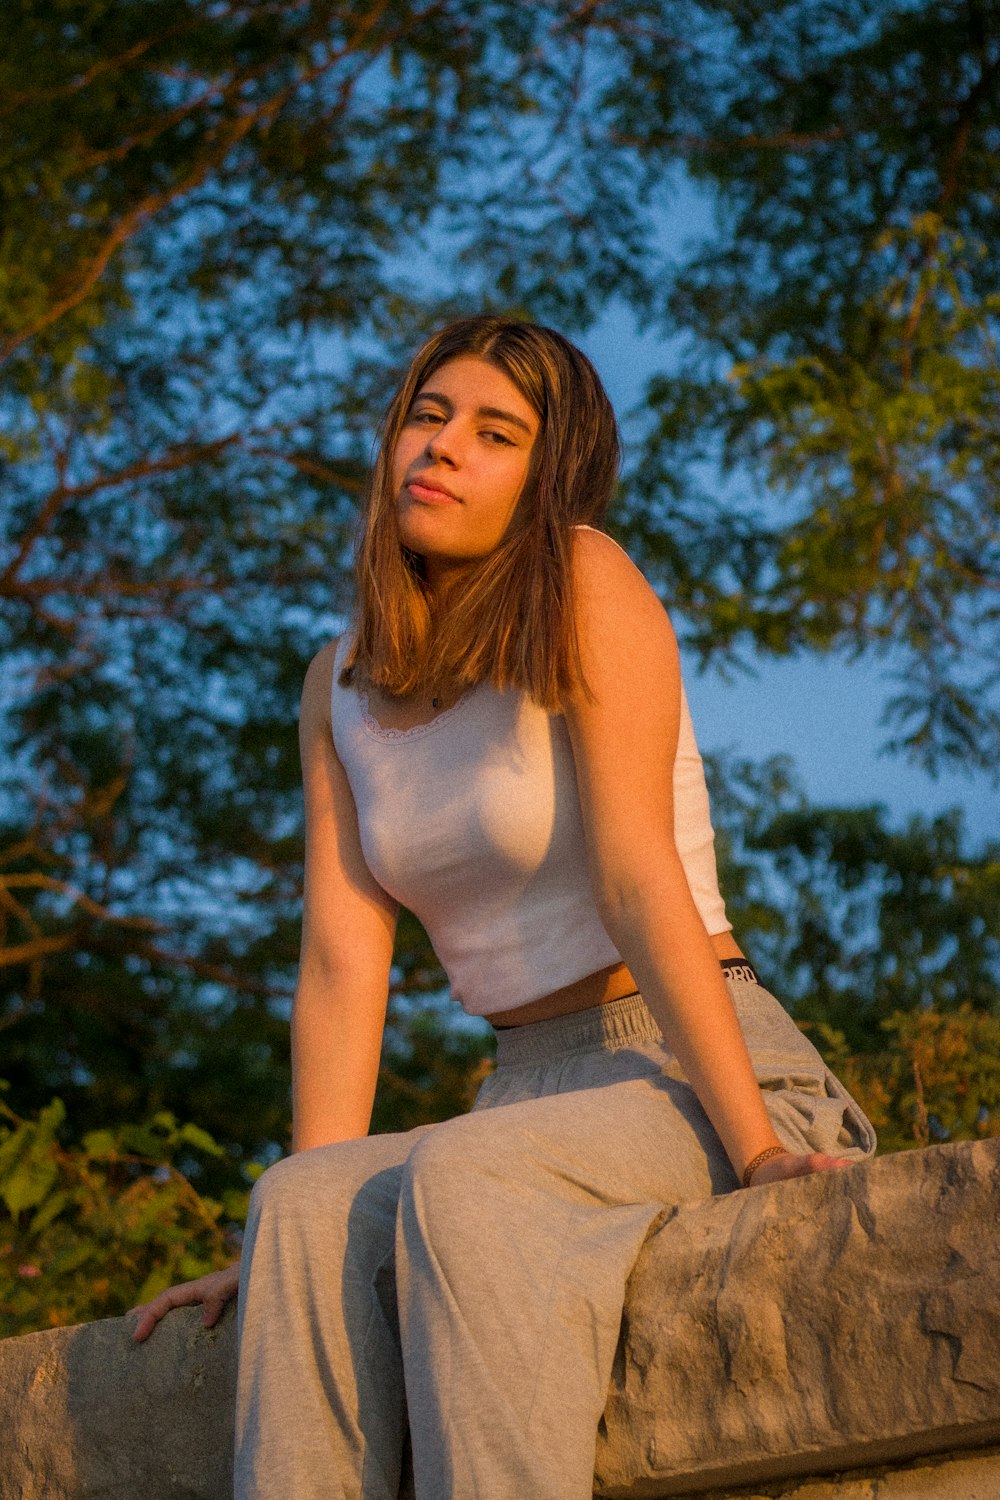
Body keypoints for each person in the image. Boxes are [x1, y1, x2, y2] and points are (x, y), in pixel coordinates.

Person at [129, 316, 876, 1499]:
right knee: (299, 1201)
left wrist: (758, 1149)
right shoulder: (339, 681)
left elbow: (638, 874)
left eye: (493, 432)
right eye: (428, 416)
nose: (442, 449)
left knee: (466, 1186)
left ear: (548, 472)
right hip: (520, 1092)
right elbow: (339, 955)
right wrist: (285, 1244)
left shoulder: (581, 578)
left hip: (688, 1059)